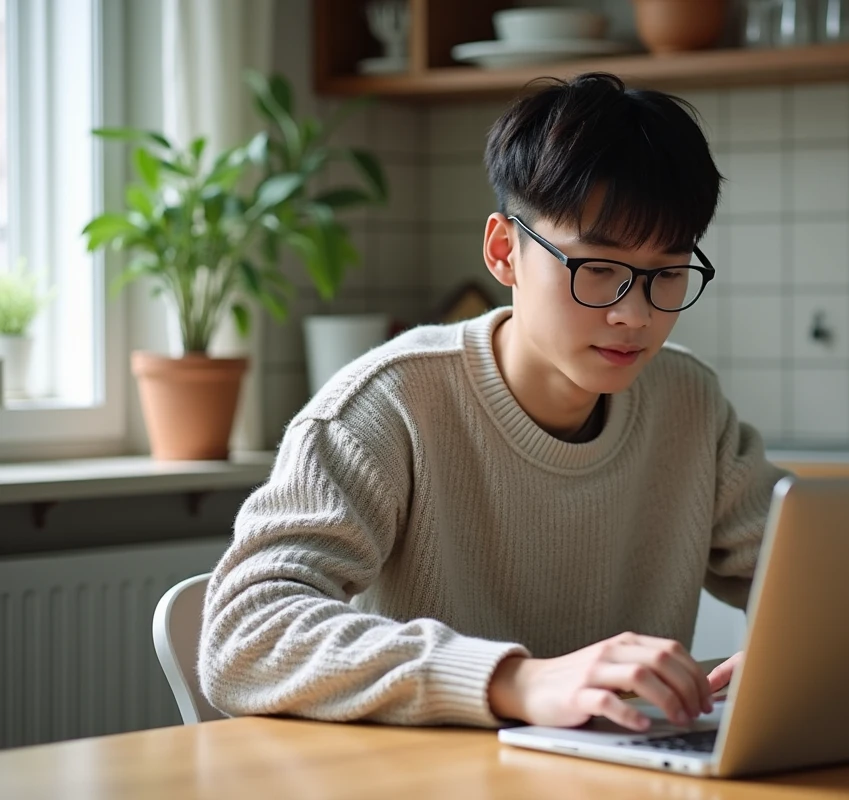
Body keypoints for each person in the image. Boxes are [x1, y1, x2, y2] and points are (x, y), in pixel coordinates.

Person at [199, 72, 788, 733]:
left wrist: (802, 649)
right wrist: (516, 680)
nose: (634, 313)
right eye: (597, 269)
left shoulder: (689, 403)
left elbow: (807, 570)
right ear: (504, 251)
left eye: (668, 275)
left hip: (618, 776)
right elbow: (242, 634)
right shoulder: (387, 405)